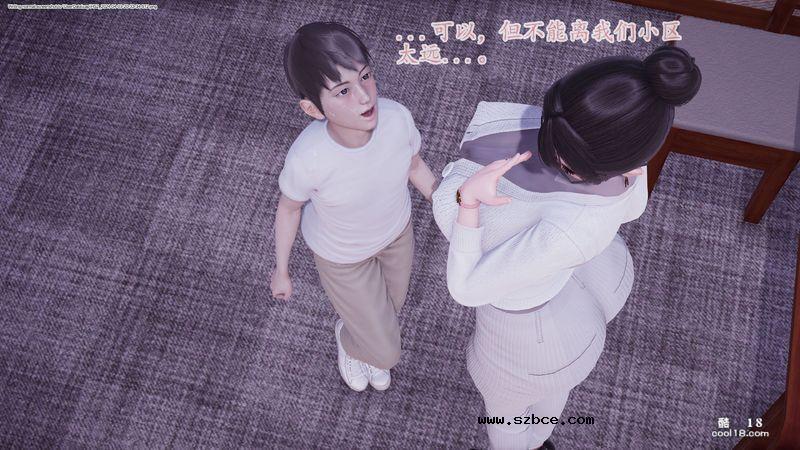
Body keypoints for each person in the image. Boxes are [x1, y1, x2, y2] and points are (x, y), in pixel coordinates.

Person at [431, 45, 701, 449]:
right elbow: (633, 208)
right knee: (549, 397)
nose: (551, 154)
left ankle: (534, 442)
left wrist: (467, 200)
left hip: (528, 339)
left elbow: (466, 288)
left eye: (568, 162)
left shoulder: (568, 230)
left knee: (506, 418)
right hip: (590, 285)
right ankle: (541, 439)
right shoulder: (632, 144)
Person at [271, 22, 438, 392]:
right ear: (312, 108)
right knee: (386, 350)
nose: (365, 97)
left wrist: (451, 206)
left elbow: (414, 167)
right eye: (343, 91)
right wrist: (282, 270)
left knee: (390, 310)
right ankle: (350, 342)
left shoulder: (397, 118)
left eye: (365, 77)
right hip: (343, 257)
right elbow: (289, 209)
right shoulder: (308, 158)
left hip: (397, 234)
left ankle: (360, 334)